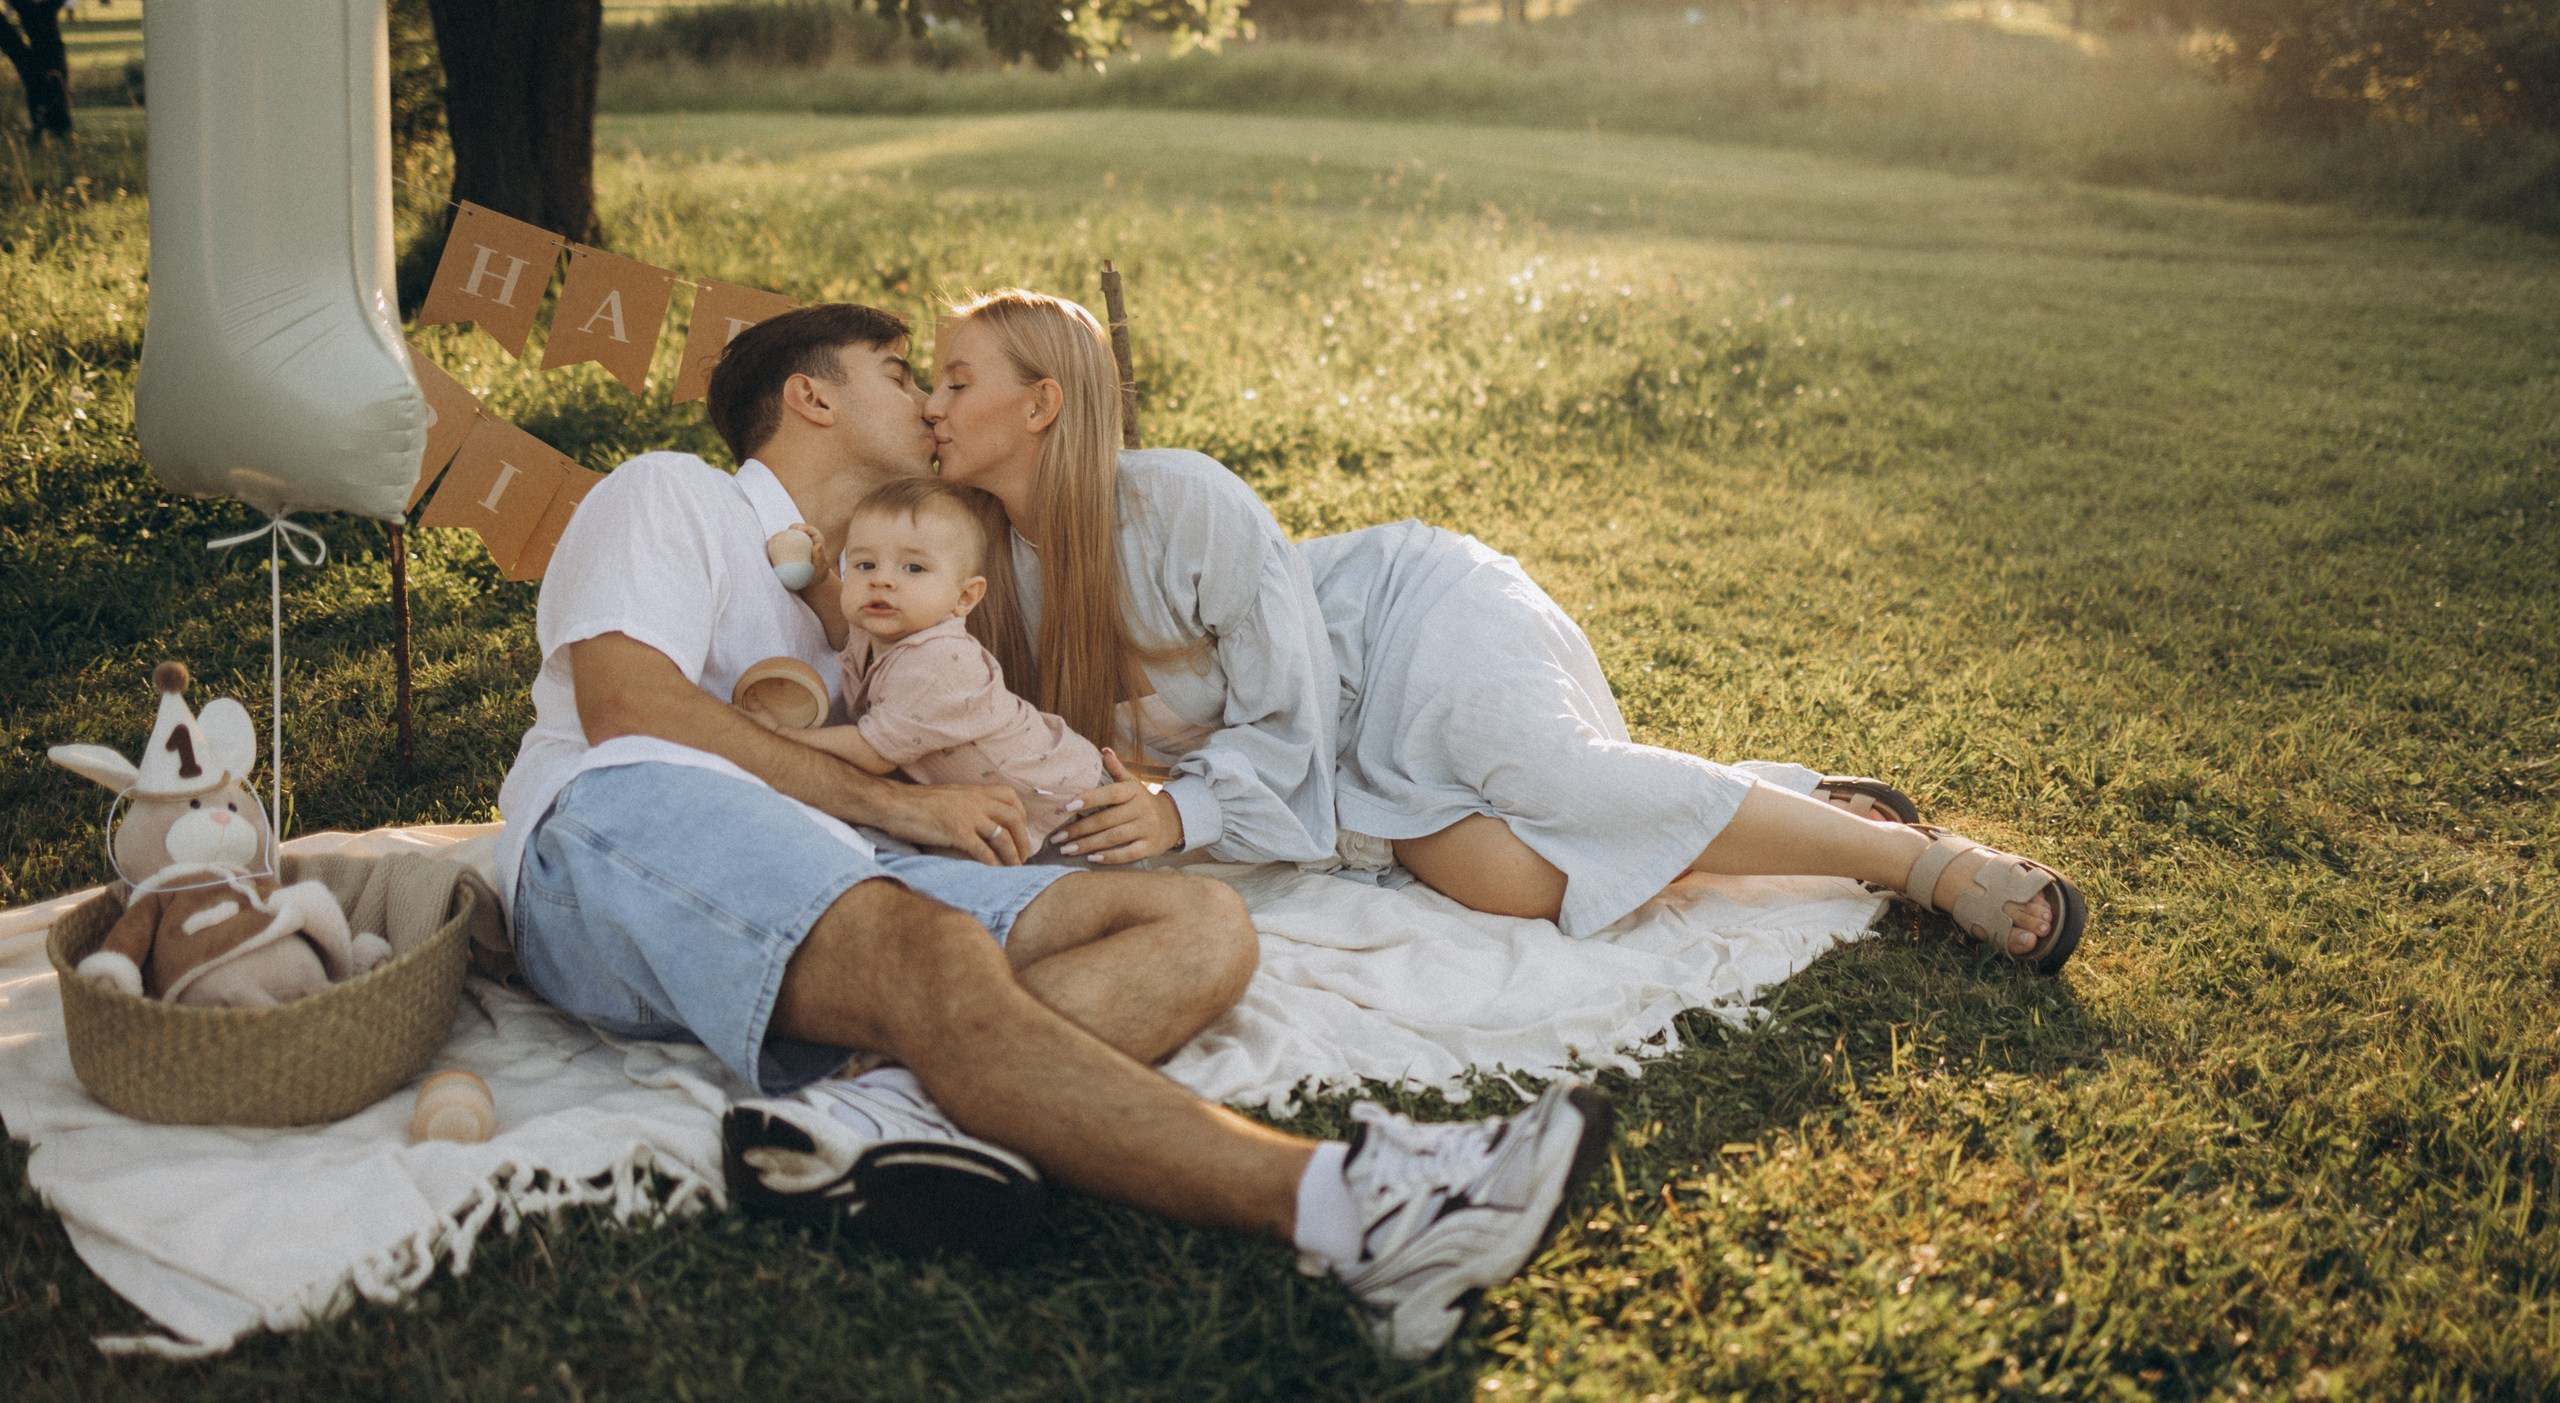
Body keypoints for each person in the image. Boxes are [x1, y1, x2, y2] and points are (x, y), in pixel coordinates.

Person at [492, 303, 1612, 1361]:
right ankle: (1352, 1205)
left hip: (822, 873)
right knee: (933, 953)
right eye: (900, 375)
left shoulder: (866, 597)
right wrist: (898, 804)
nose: (929, 402)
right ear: (811, 399)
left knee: (1194, 925)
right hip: (611, 837)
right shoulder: (668, 495)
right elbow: (627, 706)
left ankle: (872, 1118)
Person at [928, 291, 2085, 971]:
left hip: (1403, 619)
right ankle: (1793, 809)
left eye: (954, 380)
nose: (932, 405)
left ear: (1043, 405)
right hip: (1330, 758)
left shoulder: (1182, 499)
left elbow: (1280, 701)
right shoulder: (981, 567)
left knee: (1550, 775)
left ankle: (1929, 866)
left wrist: (1181, 805)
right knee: (1508, 881)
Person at [771, 472, 1111, 854]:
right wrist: (818, 578)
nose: (882, 580)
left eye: (913, 568)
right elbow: (842, 625)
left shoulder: (938, 662)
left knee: (1076, 899)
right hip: (1014, 801)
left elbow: (873, 752)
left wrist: (778, 738)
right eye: (865, 565)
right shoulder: (883, 630)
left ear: (964, 598)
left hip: (1066, 806)